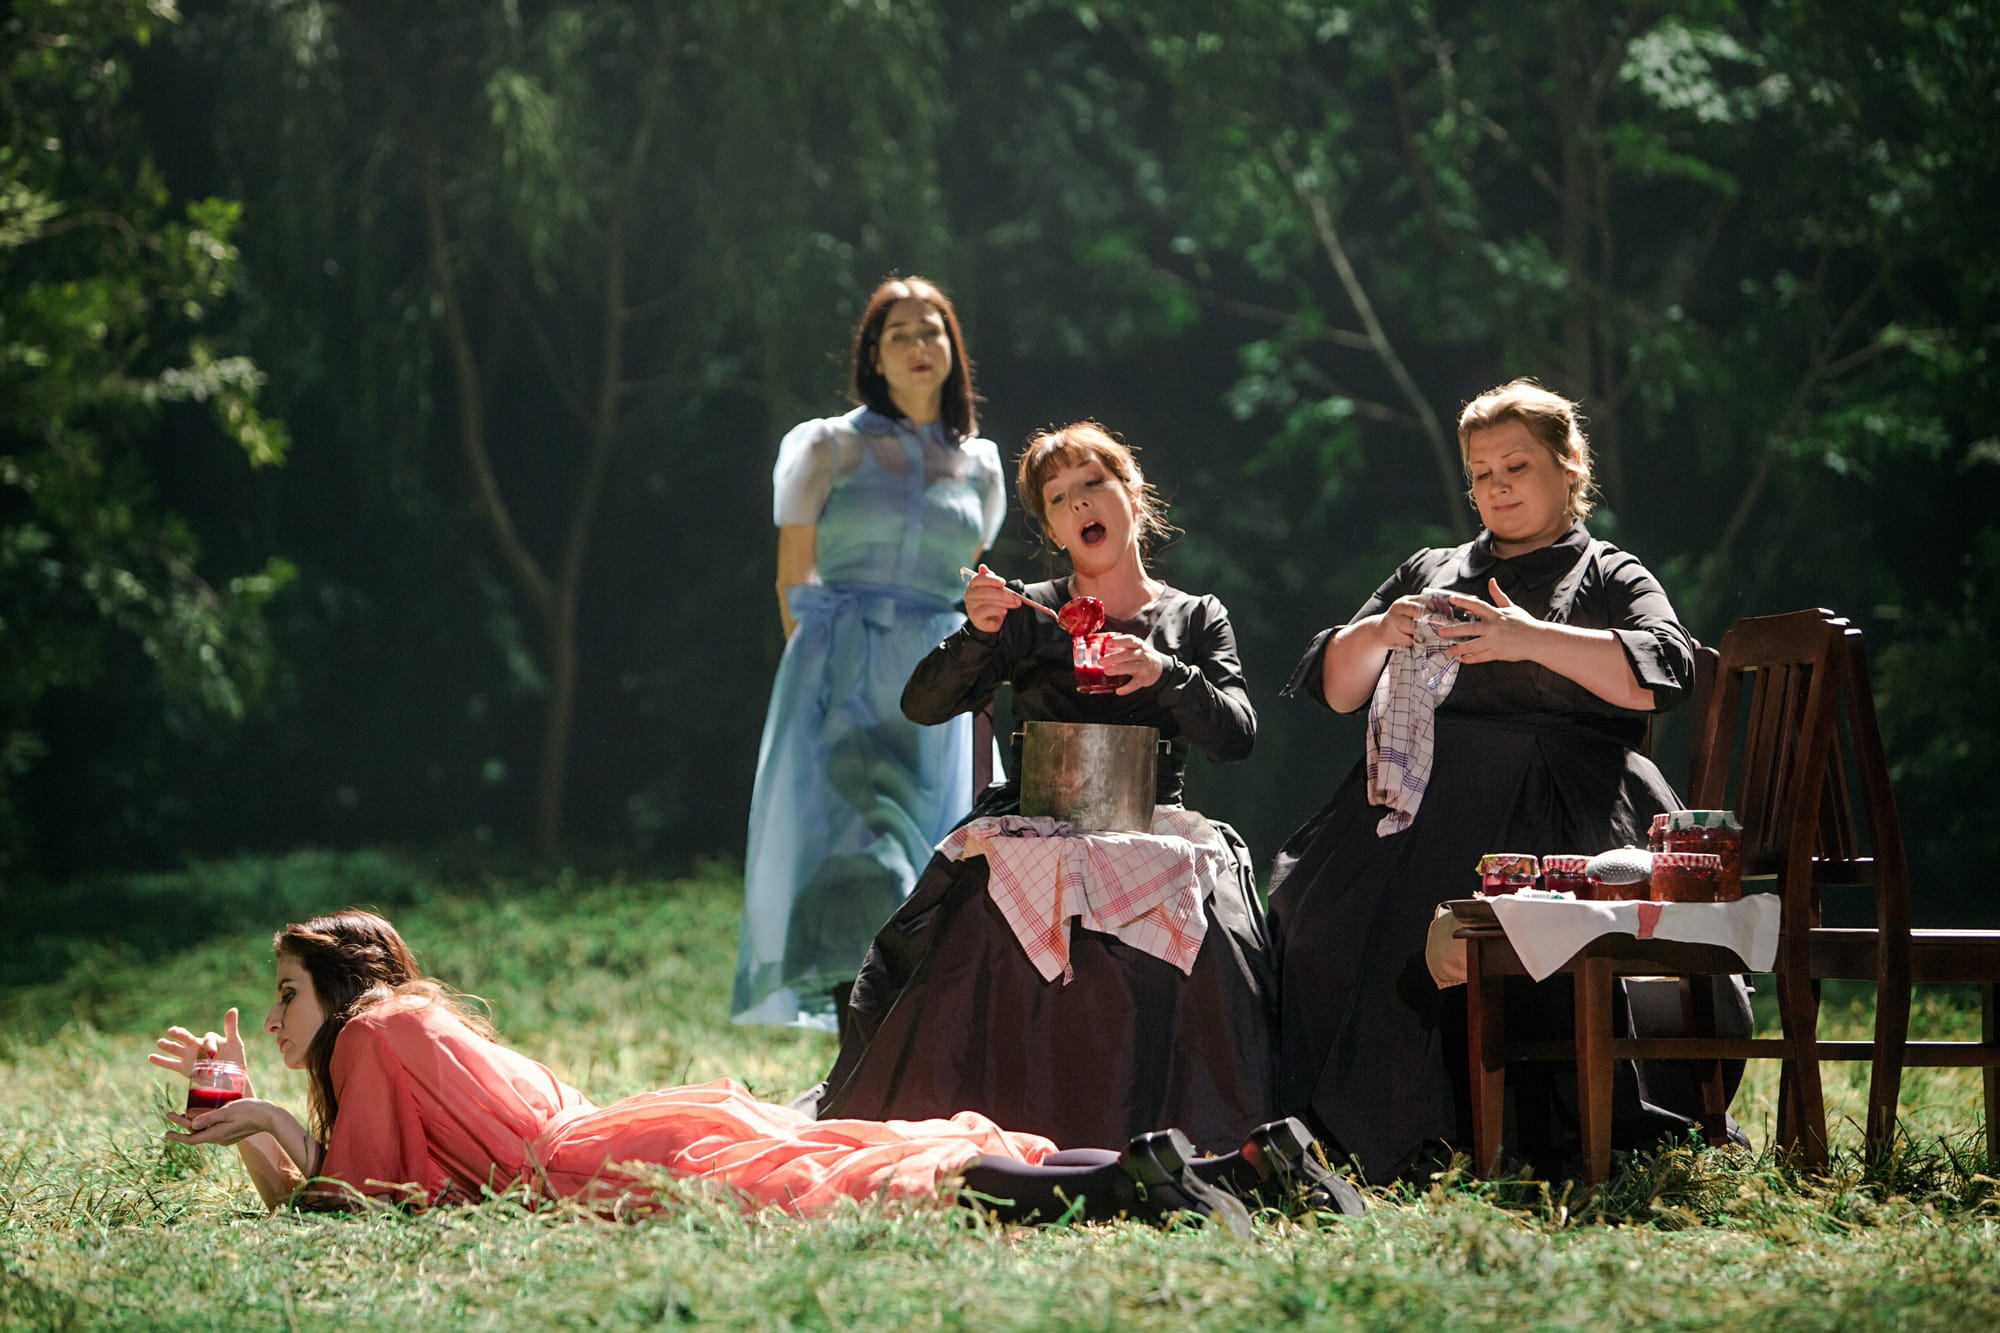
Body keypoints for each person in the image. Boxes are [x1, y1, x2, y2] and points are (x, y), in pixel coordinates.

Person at [1267, 378, 1751, 1182]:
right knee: (1309, 919)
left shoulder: (1607, 570)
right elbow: (1339, 686)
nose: (1496, 486)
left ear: (1570, 466)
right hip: (1421, 802)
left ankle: (1524, 1126)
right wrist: (1380, 630)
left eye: (1516, 466)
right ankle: (1367, 1133)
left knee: (1524, 937)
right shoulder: (1434, 568)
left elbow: (1664, 671)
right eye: (1481, 473)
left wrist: (1529, 638)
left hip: (1564, 804)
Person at [151, 908, 1345, 1228]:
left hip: (596, 1165)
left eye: (287, 993)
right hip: (625, 1134)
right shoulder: (396, 1029)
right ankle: (1228, 1166)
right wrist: (256, 1113)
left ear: (342, 986)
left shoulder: (376, 1030)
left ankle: (1142, 1184)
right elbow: (341, 1187)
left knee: (861, 1184)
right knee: (860, 1158)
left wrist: (270, 1118)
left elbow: (356, 1202)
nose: (281, 1013)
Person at [810, 422, 1294, 1166]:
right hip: (1037, 823)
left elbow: (1237, 734)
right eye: (1058, 499)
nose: (1079, 505)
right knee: (974, 924)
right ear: (1052, 528)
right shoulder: (1030, 614)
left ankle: (1181, 1130)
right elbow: (922, 703)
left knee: (1216, 939)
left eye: (1092, 484)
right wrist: (978, 632)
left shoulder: (1195, 617)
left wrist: (1166, 673)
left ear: (1132, 493)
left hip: (1151, 824)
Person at [733, 276, 1008, 1030]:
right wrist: (815, 680)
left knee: (937, 857)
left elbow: (969, 581)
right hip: (842, 667)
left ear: (953, 348)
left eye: (931, 331)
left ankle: (916, 1037)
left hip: (938, 678)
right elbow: (794, 579)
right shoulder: (825, 445)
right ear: (873, 357)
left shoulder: (982, 465)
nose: (919, 346)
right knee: (851, 853)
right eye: (899, 335)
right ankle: (852, 1034)